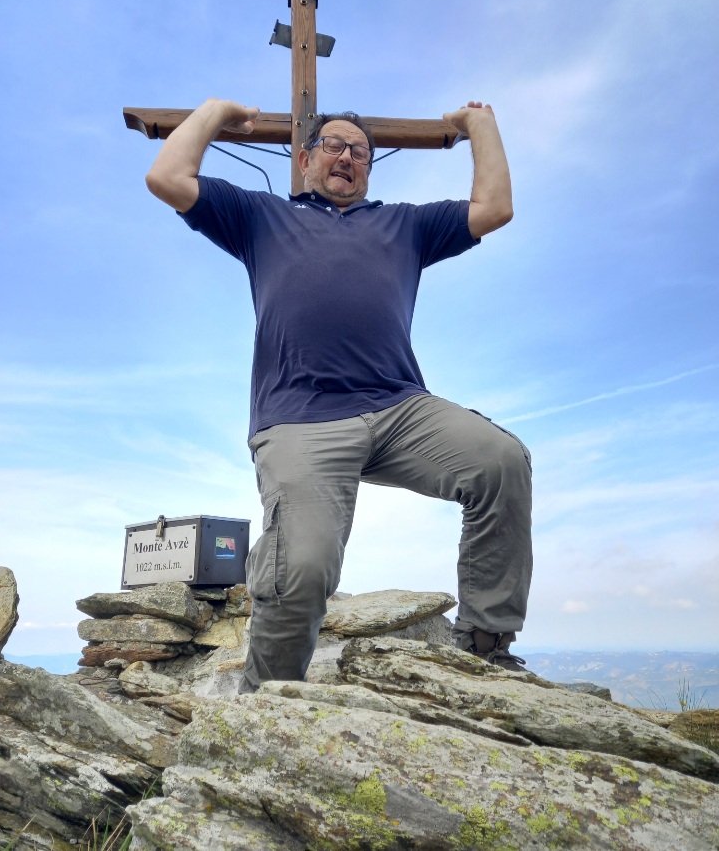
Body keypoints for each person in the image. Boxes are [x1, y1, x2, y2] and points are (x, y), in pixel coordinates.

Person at [145, 98, 533, 691]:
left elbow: (495, 208)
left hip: (400, 407)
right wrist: (216, 112)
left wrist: (481, 123)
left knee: (500, 461)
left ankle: (486, 645)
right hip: (300, 419)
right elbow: (167, 178)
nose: (347, 156)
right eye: (333, 145)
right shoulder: (260, 217)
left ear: (369, 169)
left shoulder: (406, 226)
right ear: (305, 160)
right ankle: (268, 703)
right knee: (301, 566)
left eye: (359, 151)